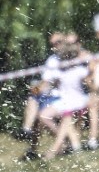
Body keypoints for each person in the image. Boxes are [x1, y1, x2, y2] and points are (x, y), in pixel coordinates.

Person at [13, 32, 64, 161]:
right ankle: (27, 133)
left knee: (37, 105)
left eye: (57, 42)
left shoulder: (71, 57)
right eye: (52, 44)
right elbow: (45, 82)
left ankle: (61, 141)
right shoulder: (52, 60)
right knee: (33, 98)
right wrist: (35, 90)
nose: (54, 46)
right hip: (52, 95)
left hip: (63, 97)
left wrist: (34, 90)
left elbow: (45, 83)